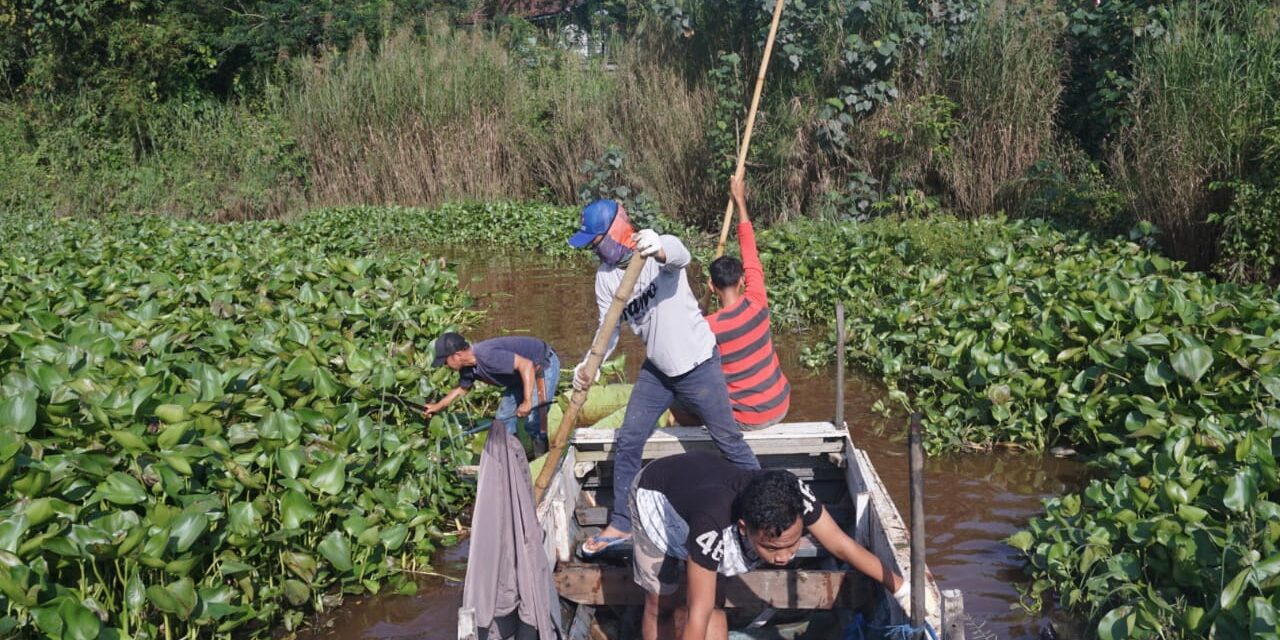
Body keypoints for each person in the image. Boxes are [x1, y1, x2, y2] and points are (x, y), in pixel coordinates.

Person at [567, 200, 760, 556]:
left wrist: (657, 247)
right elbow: (607, 330)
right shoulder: (606, 277)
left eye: (598, 241)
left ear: (616, 231)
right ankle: (623, 522)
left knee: (729, 442)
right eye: (591, 244)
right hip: (658, 371)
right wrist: (587, 366)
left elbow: (680, 255)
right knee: (628, 441)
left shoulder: (656, 251)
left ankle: (762, 508)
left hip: (699, 365)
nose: (596, 249)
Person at [630, 451, 910, 640]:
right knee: (662, 602)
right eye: (772, 549)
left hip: (703, 488)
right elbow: (697, 612)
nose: (785, 558)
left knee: (716, 601)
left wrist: (901, 589)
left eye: (791, 544)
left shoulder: (795, 494)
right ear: (744, 528)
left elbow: (841, 545)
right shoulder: (711, 526)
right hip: (657, 501)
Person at [680, 176, 790, 430]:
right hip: (780, 405)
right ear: (742, 280)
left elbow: (688, 340)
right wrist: (740, 200)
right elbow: (750, 252)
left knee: (679, 398)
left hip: (747, 420)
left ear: (713, 286)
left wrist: (704, 304)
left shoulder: (708, 327)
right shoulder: (757, 302)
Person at [425, 332, 560, 451]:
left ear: (457, 355)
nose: (445, 365)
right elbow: (461, 389)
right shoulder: (467, 367)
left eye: (445, 361)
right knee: (502, 418)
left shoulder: (487, 356)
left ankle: (542, 460)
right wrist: (437, 407)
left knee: (533, 423)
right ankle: (512, 459)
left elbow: (526, 365)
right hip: (519, 376)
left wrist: (527, 401)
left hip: (541, 366)